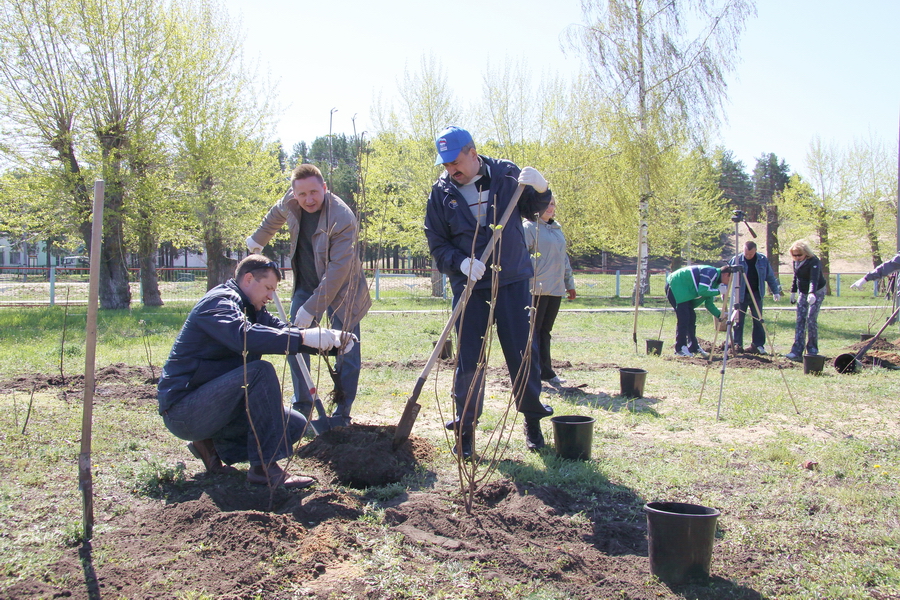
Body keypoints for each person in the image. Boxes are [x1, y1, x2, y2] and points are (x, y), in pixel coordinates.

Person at [157, 255, 355, 488]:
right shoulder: (219, 302)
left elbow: (283, 332)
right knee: (259, 372)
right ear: (249, 279)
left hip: (217, 408)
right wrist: (302, 336)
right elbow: (242, 336)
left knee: (294, 424)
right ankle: (264, 467)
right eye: (268, 288)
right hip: (184, 411)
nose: (271, 296)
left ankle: (212, 444)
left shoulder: (251, 308)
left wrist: (330, 342)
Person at [425, 125, 554, 458]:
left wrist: (541, 189)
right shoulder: (440, 195)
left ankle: (532, 420)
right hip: (470, 286)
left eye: (455, 161)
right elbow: (438, 246)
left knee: (522, 353)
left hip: (511, 278)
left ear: (472, 152)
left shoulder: (507, 176)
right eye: (445, 164)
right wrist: (461, 263)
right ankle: (465, 430)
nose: (451, 169)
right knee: (470, 359)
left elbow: (536, 212)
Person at [247, 164, 371, 427]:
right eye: (302, 194)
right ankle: (303, 407)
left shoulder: (342, 218)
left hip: (343, 289)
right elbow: (274, 216)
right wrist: (258, 238)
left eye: (315, 192)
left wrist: (312, 308)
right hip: (306, 282)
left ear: (325, 188)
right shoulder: (291, 202)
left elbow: (338, 271)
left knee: (346, 347)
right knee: (295, 341)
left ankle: (342, 411)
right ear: (294, 193)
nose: (309, 199)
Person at [523, 195, 576, 386]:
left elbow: (564, 259)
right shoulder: (529, 227)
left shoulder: (557, 229)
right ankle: (530, 372)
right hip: (534, 289)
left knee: (545, 331)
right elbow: (520, 256)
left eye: (553, 204)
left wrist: (569, 283)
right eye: (546, 203)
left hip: (555, 289)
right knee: (532, 332)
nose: (550, 207)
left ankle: (546, 372)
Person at [665, 264, 733, 357]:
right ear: (726, 274)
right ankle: (680, 348)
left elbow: (709, 304)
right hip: (676, 284)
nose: (728, 283)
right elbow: (702, 291)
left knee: (691, 318)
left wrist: (720, 315)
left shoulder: (715, 282)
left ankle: (693, 346)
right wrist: (718, 291)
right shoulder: (711, 273)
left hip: (685, 291)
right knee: (684, 318)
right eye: (729, 280)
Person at [728, 241, 783, 354]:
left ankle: (758, 345)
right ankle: (737, 344)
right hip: (740, 295)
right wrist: (723, 290)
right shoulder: (736, 260)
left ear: (755, 251)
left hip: (756, 294)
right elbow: (726, 275)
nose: (748, 256)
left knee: (758, 320)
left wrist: (775, 291)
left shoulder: (762, 260)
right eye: (746, 253)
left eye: (750, 254)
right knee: (738, 321)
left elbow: (770, 276)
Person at [785, 240, 826, 361]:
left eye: (799, 255)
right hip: (802, 291)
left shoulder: (814, 261)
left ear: (805, 253)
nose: (797, 257)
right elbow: (796, 276)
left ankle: (812, 349)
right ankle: (797, 350)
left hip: (816, 290)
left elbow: (814, 278)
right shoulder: (796, 262)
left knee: (811, 319)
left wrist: (812, 292)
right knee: (800, 319)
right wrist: (793, 291)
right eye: (794, 255)